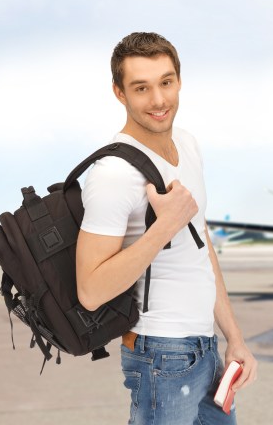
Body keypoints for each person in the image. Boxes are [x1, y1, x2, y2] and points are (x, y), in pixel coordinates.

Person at [75, 32, 257, 424]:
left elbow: (200, 247)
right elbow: (90, 291)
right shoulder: (113, 174)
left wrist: (233, 336)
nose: (158, 100)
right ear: (119, 93)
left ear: (178, 80)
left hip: (204, 348)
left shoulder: (188, 145)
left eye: (166, 82)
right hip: (159, 353)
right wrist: (163, 227)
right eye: (141, 87)